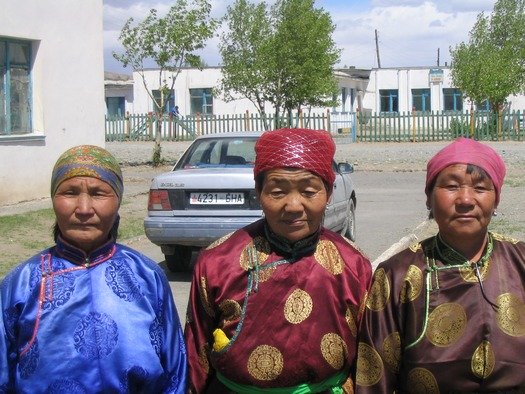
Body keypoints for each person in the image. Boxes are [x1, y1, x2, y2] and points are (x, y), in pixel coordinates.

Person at [184, 128, 372, 393]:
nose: (293, 206)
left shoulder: (354, 264)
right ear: (259, 192)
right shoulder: (217, 262)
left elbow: (369, 361)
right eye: (277, 191)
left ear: (328, 194)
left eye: (309, 191)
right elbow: (195, 357)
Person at [0, 145, 187, 393]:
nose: (84, 209)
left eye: (99, 193)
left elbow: (175, 373)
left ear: (118, 200)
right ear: (54, 199)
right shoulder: (22, 283)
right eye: (70, 192)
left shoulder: (147, 277)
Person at [355, 137, 525, 392]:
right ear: (428, 198)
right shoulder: (398, 273)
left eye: (480, 188)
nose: (466, 199)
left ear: (496, 199)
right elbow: (374, 374)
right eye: (452, 186)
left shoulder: (520, 260)